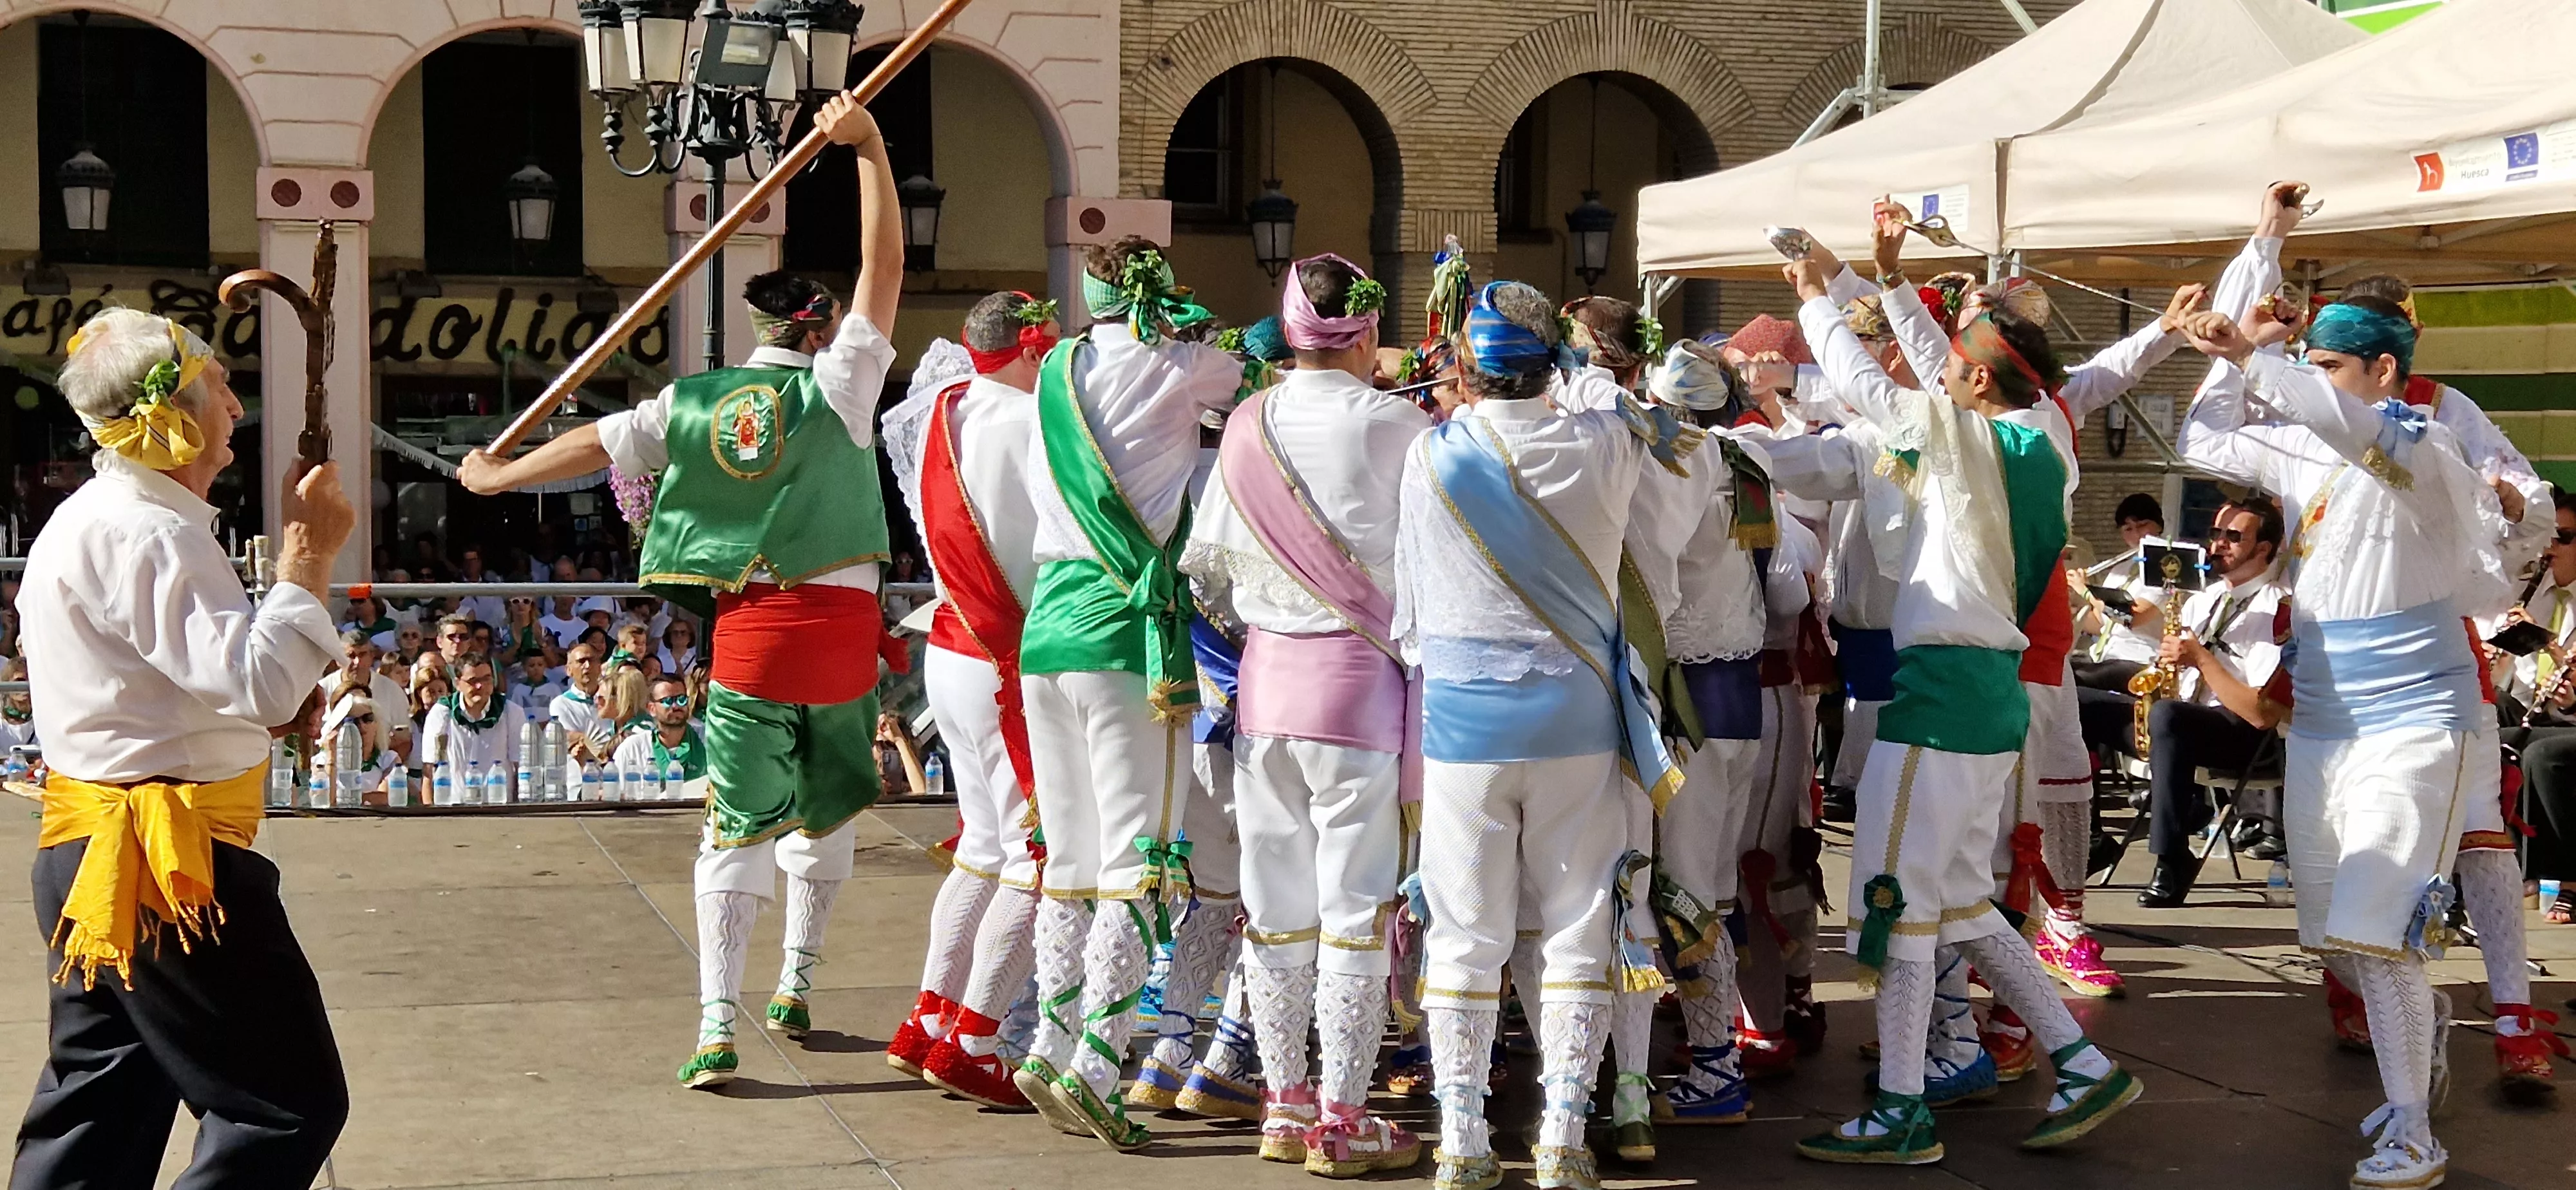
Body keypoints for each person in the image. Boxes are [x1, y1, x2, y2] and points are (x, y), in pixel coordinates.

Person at [458, 91, 903, 1089]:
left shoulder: (689, 403)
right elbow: (887, 267)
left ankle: (715, 1024)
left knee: (736, 824)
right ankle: (796, 979)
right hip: (838, 628)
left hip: (753, 630)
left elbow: (587, 444)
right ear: (820, 322)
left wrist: (497, 474)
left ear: (752, 327)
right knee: (829, 807)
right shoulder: (842, 384)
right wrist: (868, 150)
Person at [1786, 251, 2139, 1165]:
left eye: (1951, 364)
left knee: (1897, 897)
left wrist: (1820, 297)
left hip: (1940, 695)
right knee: (1960, 901)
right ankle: (2080, 1058)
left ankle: (1903, 1106)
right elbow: (1912, 367)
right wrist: (1888, 287)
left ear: (1978, 378)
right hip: (1990, 698)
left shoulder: (1954, 434)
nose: (1935, 369)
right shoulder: (2040, 444)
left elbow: (1865, 383)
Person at [10, 306, 354, 1185]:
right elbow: (261, 685)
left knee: (100, 1109)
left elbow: (203, 689)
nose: (236, 405)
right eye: (219, 386)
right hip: (164, 860)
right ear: (173, 419)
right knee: (283, 1107)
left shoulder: (106, 516)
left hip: (104, 847)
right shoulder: (150, 532)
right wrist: (307, 557)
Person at [2175, 289, 2509, 1188]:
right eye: (2310, 366)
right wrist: (2234, 350)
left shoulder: (2421, 446)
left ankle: (2411, 1130)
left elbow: (2335, 421)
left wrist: (2258, 361)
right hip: (2322, 725)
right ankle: (2423, 1026)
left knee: (2374, 929)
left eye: (2327, 367)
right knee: (2328, 934)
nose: (2306, 384)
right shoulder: (2304, 455)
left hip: (2412, 722)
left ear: (2383, 371)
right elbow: (2201, 441)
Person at [1399, 281, 1692, 1190]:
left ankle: (1462, 1139)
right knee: (1574, 923)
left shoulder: (1433, 455)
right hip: (1577, 720)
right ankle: (1563, 1129)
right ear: (1548, 367)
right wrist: (1578, 362)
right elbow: (1624, 399)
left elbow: (1409, 607)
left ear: (1469, 371)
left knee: (1465, 931)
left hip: (1461, 724)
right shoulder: (1605, 445)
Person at [1182, 254, 1426, 1176]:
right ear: (1363, 331)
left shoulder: (1247, 422)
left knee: (1277, 911)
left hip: (1266, 692)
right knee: (1355, 914)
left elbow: (1207, 569)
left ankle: (1283, 1108)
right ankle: (1344, 1116)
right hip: (1358, 691)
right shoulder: (1398, 423)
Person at [1006, 236, 1244, 1150]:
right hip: (1122, 631)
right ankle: (1098, 1064)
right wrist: (1198, 329)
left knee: (1068, 856)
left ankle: (1053, 1042)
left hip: (1047, 628)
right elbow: (1260, 364)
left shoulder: (1057, 367)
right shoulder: (1182, 365)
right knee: (1142, 858)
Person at [889, 294, 1056, 1110]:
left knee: (983, 848)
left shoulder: (944, 406)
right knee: (1037, 854)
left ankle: (928, 1020)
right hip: (1003, 656)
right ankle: (978, 1040)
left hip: (951, 646)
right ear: (1032, 347)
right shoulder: (1031, 424)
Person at [2101, 498, 2290, 907]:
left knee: (2169, 717)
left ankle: (2172, 857)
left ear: (2264, 548)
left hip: (2241, 736)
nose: (2218, 544)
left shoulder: (2277, 607)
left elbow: (2260, 712)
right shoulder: (2203, 599)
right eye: (2216, 534)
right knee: (2077, 697)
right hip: (2180, 722)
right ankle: (2093, 838)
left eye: (2233, 537)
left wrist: (2201, 659)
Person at [419, 654, 525, 784]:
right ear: (457, 683)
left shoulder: (512, 712)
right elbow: (429, 770)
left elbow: (521, 766)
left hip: (499, 801)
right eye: (473, 681)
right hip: (454, 802)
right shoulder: (441, 712)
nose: (480, 686)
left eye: (487, 679)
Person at [322, 627, 413, 760]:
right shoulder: (323, 689)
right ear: (338, 659)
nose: (357, 662)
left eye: (363, 655)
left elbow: (404, 739)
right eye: (351, 656)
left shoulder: (392, 690)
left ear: (371, 656)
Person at [611, 674, 708, 785]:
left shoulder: (708, 740)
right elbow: (617, 794)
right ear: (652, 709)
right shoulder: (632, 749)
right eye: (668, 701)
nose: (676, 706)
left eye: (681, 699)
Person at [0, 657, 35, 754]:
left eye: (31, 680)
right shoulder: (1, 725)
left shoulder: (45, 719)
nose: (25, 685)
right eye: (20, 680)